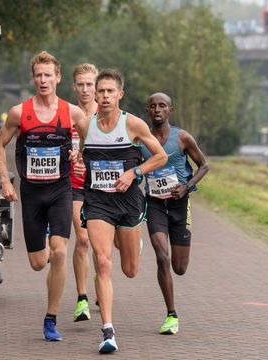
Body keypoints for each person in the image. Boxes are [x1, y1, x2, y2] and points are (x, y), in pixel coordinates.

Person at [0, 51, 86, 342]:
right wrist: (5, 180)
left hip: (60, 190)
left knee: (60, 251)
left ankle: (50, 318)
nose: (43, 80)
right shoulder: (20, 112)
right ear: (33, 78)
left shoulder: (72, 112)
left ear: (58, 77)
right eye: (38, 75)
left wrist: (80, 154)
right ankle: (44, 236)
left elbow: (91, 137)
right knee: (37, 262)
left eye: (48, 75)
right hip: (31, 193)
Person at [78, 69, 167, 353]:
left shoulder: (134, 125)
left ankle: (131, 242)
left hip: (128, 202)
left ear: (120, 95)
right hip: (97, 202)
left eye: (109, 91)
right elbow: (82, 154)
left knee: (129, 270)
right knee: (103, 262)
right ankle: (107, 331)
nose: (103, 96)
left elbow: (160, 156)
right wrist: (78, 161)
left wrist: (135, 173)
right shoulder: (85, 125)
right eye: (100, 91)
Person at [142, 92, 209, 335]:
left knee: (179, 268)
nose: (157, 109)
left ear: (170, 110)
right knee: (162, 257)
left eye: (162, 106)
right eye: (153, 106)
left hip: (180, 206)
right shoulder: (142, 139)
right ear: (148, 111)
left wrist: (187, 186)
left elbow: (204, 165)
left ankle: (172, 311)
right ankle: (171, 315)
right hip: (155, 206)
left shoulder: (182, 137)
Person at [70, 63, 98, 322]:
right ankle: (82, 299)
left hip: (103, 188)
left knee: (106, 245)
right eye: (81, 84)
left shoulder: (108, 114)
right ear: (74, 86)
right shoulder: (67, 115)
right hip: (76, 187)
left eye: (90, 84)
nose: (86, 89)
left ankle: (102, 273)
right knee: (82, 240)